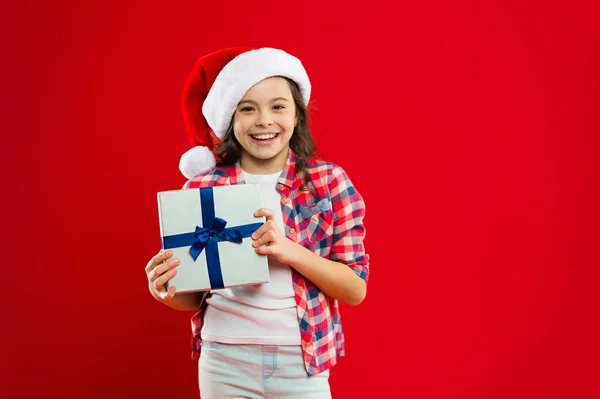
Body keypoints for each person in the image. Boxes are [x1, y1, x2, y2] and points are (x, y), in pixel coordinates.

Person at [145, 47, 370, 398]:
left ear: (297, 115)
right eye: (247, 108)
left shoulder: (328, 183)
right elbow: (195, 297)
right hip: (224, 360)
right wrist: (164, 289)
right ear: (229, 120)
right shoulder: (203, 189)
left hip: (302, 362)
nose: (264, 120)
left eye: (278, 106)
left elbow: (355, 289)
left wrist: (289, 250)